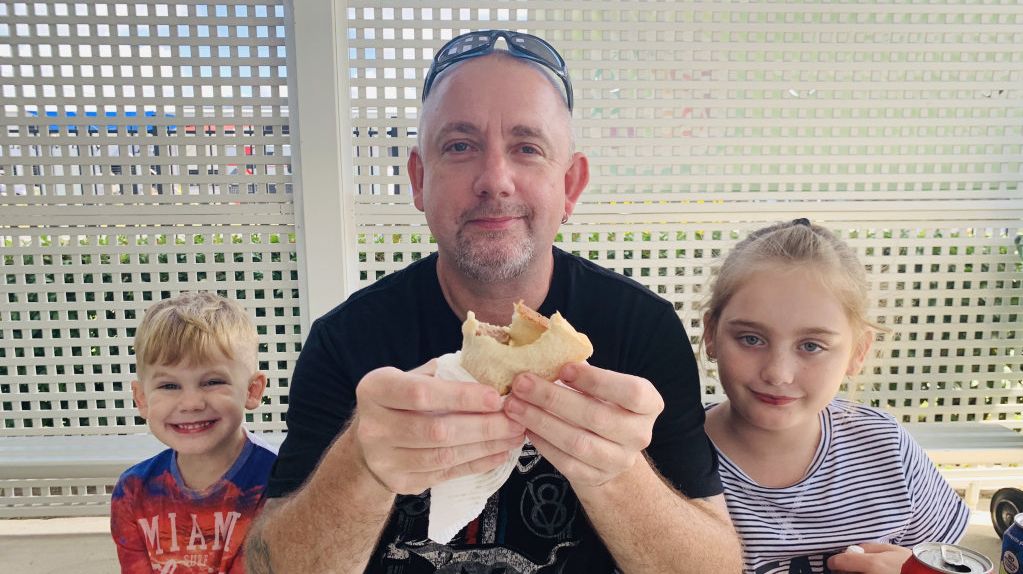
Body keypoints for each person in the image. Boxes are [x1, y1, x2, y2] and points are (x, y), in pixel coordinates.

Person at [246, 30, 741, 573]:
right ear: (419, 179)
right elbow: (271, 565)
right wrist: (361, 465)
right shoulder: (347, 341)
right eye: (460, 146)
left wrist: (615, 473)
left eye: (527, 148)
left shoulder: (640, 329)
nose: (495, 180)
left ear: (571, 184)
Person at [700, 219, 970, 574]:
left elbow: (947, 561)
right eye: (751, 338)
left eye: (811, 345)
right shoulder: (662, 453)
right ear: (711, 334)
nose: (778, 373)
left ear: (858, 352)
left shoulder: (886, 450)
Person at [110, 291, 276, 574]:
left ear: (252, 390)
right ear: (142, 399)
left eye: (212, 381)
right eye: (169, 386)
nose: (191, 404)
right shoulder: (132, 492)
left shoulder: (281, 481)